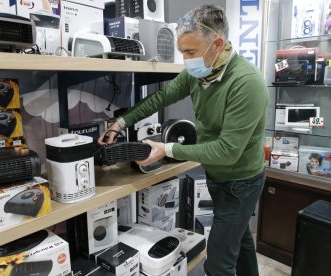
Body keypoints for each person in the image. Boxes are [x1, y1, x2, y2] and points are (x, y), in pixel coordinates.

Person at [98, 4, 269, 276]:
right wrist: (120, 123)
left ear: (217, 44)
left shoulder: (246, 84)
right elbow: (160, 98)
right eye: (183, 52)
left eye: (191, 52)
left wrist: (167, 149)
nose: (187, 59)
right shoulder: (197, 72)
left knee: (218, 264)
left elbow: (228, 151)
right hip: (219, 177)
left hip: (241, 183)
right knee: (240, 241)